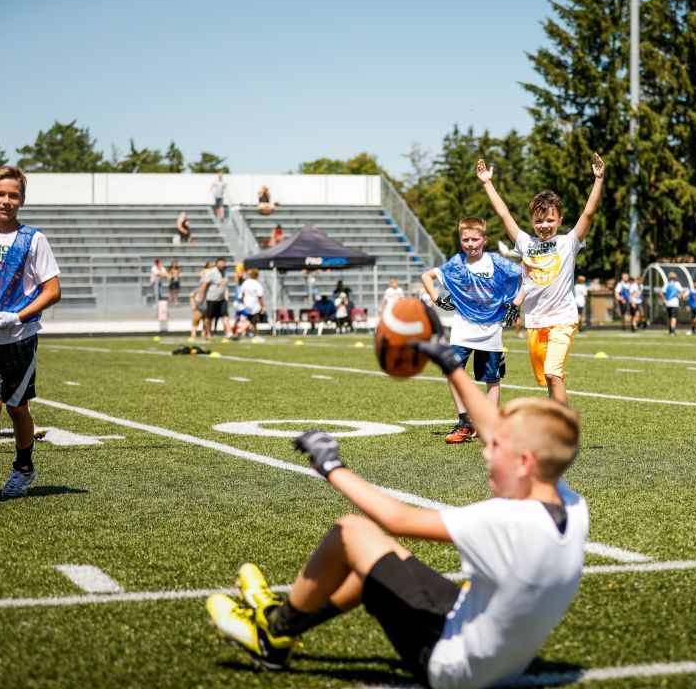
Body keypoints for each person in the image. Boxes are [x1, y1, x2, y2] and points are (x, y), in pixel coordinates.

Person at [205, 324, 589, 685]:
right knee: (375, 564)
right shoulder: (569, 503)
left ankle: (273, 629)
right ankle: (286, 626)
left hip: (452, 668)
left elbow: (398, 518)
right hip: (497, 655)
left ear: (524, 462)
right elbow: (494, 426)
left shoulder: (509, 520)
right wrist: (452, 365)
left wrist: (331, 467)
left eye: (497, 449)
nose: (488, 453)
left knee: (353, 531)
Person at [481, 153, 605, 405]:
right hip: (536, 322)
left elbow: (589, 214)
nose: (544, 225)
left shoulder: (568, 242)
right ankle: (557, 425)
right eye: (539, 221)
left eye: (550, 220)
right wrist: (487, 183)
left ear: (560, 220)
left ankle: (563, 431)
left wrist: (599, 180)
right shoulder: (526, 243)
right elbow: (504, 214)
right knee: (549, 378)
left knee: (553, 372)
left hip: (563, 320)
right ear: (531, 222)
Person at [0, 166, 62, 509]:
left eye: (13, 195)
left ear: (22, 200)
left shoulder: (33, 240)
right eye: (0, 193)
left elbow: (53, 290)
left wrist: (18, 315)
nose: (6, 200)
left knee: (17, 408)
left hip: (20, 338)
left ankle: (24, 466)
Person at [421, 217, 524, 444]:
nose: (470, 244)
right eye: (465, 239)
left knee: (492, 379)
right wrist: (437, 299)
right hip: (462, 329)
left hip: (490, 331)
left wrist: (515, 304)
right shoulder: (456, 263)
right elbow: (426, 276)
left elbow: (525, 275)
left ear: (484, 240)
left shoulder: (496, 261)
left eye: (475, 239)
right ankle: (465, 422)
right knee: (453, 372)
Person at [199, 257, 231, 340]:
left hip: (221, 299)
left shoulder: (225, 272)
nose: (222, 265)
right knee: (209, 317)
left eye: (223, 263)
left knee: (225, 315)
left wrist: (226, 295)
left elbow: (225, 285)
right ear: (217, 264)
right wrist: (202, 297)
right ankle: (209, 333)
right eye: (220, 263)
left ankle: (229, 332)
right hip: (211, 299)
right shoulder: (211, 272)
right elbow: (204, 284)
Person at [235, 268, 266, 338]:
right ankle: (243, 330)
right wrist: (263, 306)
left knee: (249, 320)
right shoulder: (257, 284)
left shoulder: (245, 282)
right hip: (254, 305)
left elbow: (242, 294)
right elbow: (260, 296)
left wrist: (243, 302)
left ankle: (253, 334)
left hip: (246, 304)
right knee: (253, 322)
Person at [660, 271, 684, 336]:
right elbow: (682, 293)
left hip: (668, 303)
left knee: (669, 317)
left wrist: (664, 300)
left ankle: (670, 330)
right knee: (674, 317)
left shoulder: (667, 284)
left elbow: (661, 293)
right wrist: (680, 298)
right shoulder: (677, 284)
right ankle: (672, 330)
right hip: (675, 303)